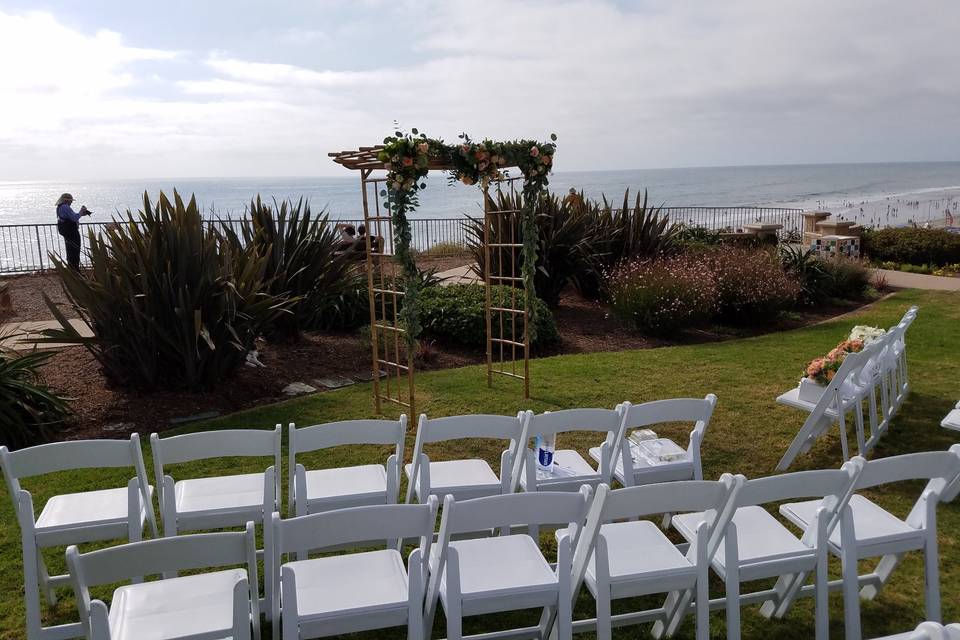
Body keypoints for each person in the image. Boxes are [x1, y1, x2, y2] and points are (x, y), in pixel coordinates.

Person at [55, 193, 91, 271]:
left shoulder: (60, 207)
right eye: (70, 201)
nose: (71, 202)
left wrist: (80, 214)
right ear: (66, 201)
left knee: (70, 250)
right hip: (71, 231)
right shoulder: (65, 207)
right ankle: (75, 269)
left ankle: (71, 269)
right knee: (75, 250)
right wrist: (81, 212)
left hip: (66, 231)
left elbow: (71, 217)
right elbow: (74, 218)